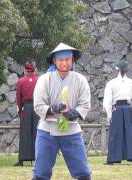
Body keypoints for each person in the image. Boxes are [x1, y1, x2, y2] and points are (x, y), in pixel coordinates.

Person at [33, 43, 92, 180]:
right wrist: (52, 109)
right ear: (54, 61)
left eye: (67, 59)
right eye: (60, 60)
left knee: (83, 172)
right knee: (40, 172)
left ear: (72, 60)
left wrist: (75, 113)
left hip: (71, 130)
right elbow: (38, 105)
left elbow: (85, 104)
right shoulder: (44, 80)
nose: (64, 63)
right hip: (47, 130)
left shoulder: (80, 80)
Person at [103, 61, 132, 165]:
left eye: (115, 69)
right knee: (130, 133)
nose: (114, 71)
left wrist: (109, 114)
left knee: (116, 134)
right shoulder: (131, 82)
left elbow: (107, 101)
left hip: (117, 109)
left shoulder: (111, 83)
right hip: (127, 109)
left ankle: (113, 158)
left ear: (118, 70)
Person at [14, 61, 39, 166]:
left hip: (26, 107)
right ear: (35, 69)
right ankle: (37, 158)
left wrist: (20, 110)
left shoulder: (20, 81)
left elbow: (18, 98)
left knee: (24, 133)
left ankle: (22, 160)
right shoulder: (39, 80)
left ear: (25, 69)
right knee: (37, 133)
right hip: (37, 107)